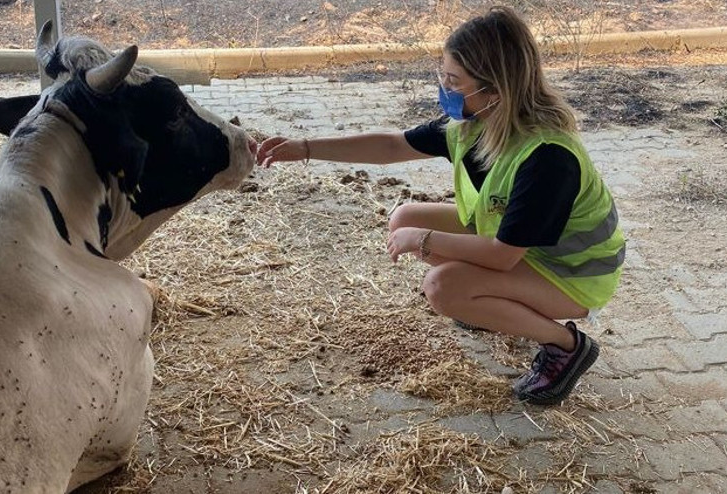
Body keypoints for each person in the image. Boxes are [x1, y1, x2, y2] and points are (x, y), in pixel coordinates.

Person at [256, 6, 625, 406]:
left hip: (572, 272)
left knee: (442, 286)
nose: (444, 89)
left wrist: (426, 239)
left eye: (453, 80)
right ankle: (492, 306)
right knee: (405, 218)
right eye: (442, 75)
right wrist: (308, 148)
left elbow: (502, 256)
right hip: (527, 246)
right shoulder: (474, 122)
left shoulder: (547, 157)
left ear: (494, 90)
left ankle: (565, 346)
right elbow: (393, 144)